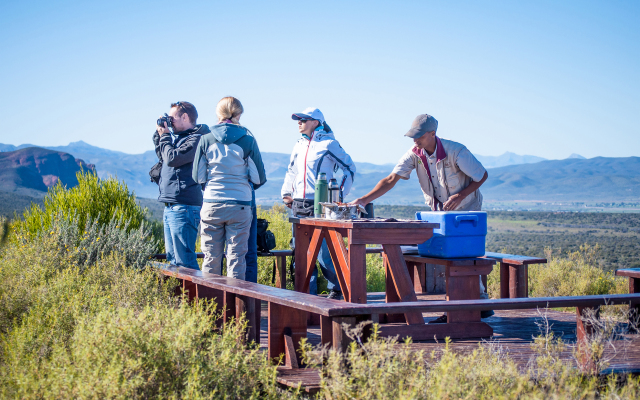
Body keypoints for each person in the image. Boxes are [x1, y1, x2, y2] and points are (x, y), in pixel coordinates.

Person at [350, 113, 492, 322]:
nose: (414, 140)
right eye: (412, 136)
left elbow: (482, 175)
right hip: (438, 211)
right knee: (444, 254)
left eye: (419, 136)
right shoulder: (414, 154)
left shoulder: (457, 151)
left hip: (466, 210)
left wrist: (460, 195)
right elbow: (391, 179)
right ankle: (477, 303)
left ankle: (466, 309)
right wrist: (362, 200)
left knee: (461, 256)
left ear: (432, 134)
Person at [282, 107, 356, 299]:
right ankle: (306, 296)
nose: (299, 123)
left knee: (324, 253)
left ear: (316, 122)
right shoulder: (298, 144)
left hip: (322, 206)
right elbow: (291, 171)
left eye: (303, 120)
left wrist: (337, 196)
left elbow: (349, 169)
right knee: (300, 253)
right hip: (298, 205)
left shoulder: (329, 143)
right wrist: (286, 193)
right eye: (298, 120)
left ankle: (337, 290)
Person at [192, 97, 267, 280]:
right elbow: (259, 178)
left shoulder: (205, 140)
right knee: (236, 258)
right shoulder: (248, 140)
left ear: (218, 114)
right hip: (239, 205)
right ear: (239, 114)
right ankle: (236, 305)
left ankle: (211, 305)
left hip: (212, 204)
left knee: (211, 257)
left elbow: (198, 176)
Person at [153, 101, 209, 270]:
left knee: (185, 262)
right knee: (173, 261)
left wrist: (165, 136)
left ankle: (197, 297)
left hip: (184, 206)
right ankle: (181, 297)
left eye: (171, 118)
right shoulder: (179, 139)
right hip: (172, 205)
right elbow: (164, 157)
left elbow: (173, 159)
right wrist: (160, 135)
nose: (169, 122)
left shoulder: (197, 139)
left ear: (184, 117)